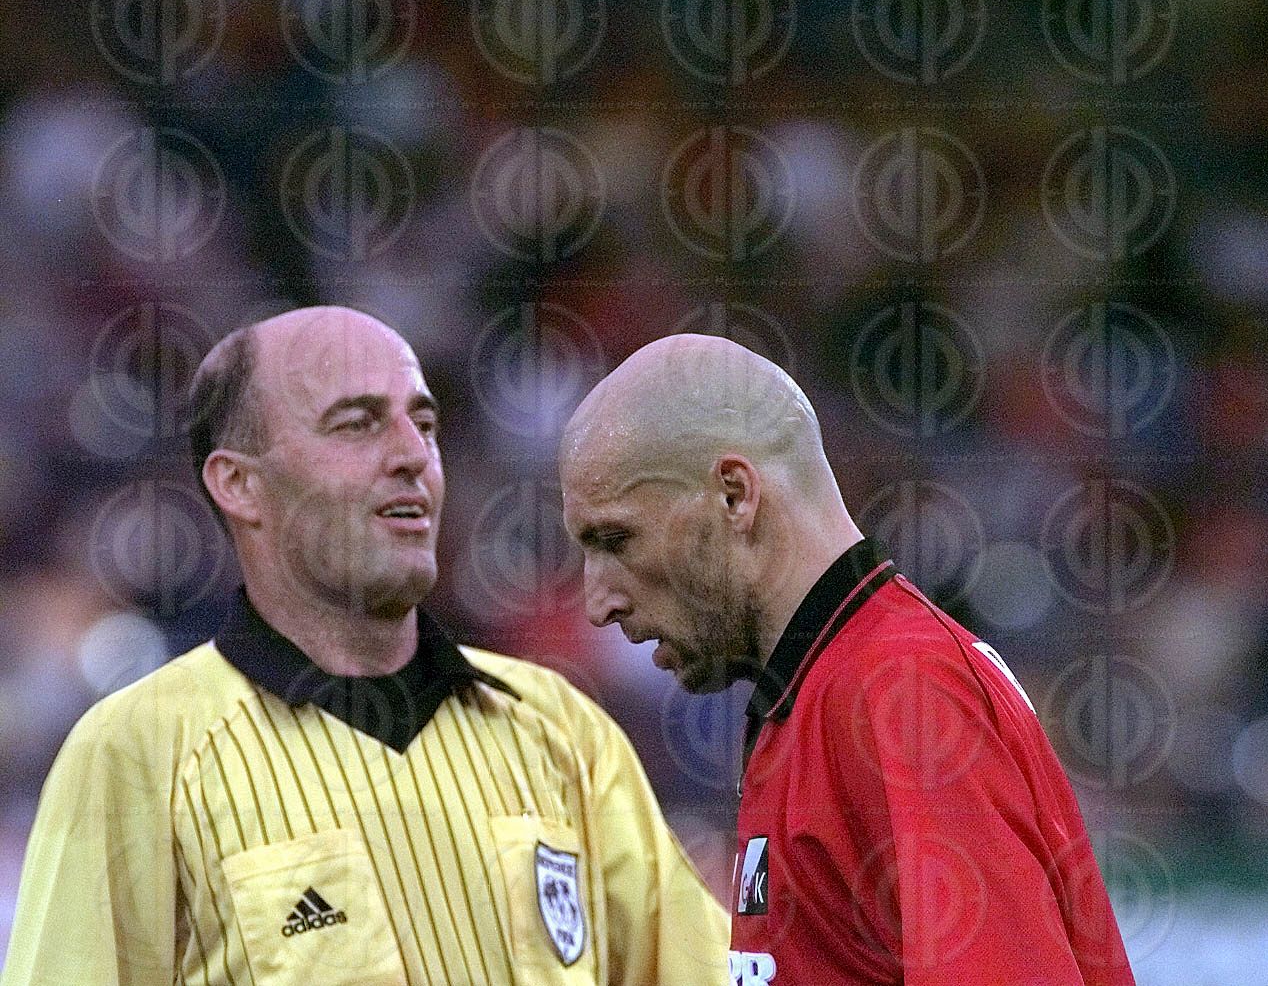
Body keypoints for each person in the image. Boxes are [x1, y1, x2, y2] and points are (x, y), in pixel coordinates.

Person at [2, 307, 730, 986]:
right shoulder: (136, 753)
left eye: (425, 423)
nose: (414, 454)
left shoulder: (565, 733)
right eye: (357, 425)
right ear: (240, 485)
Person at [558, 334, 1136, 986]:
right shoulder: (823, 689)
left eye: (616, 539)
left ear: (734, 496)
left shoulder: (901, 694)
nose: (597, 603)